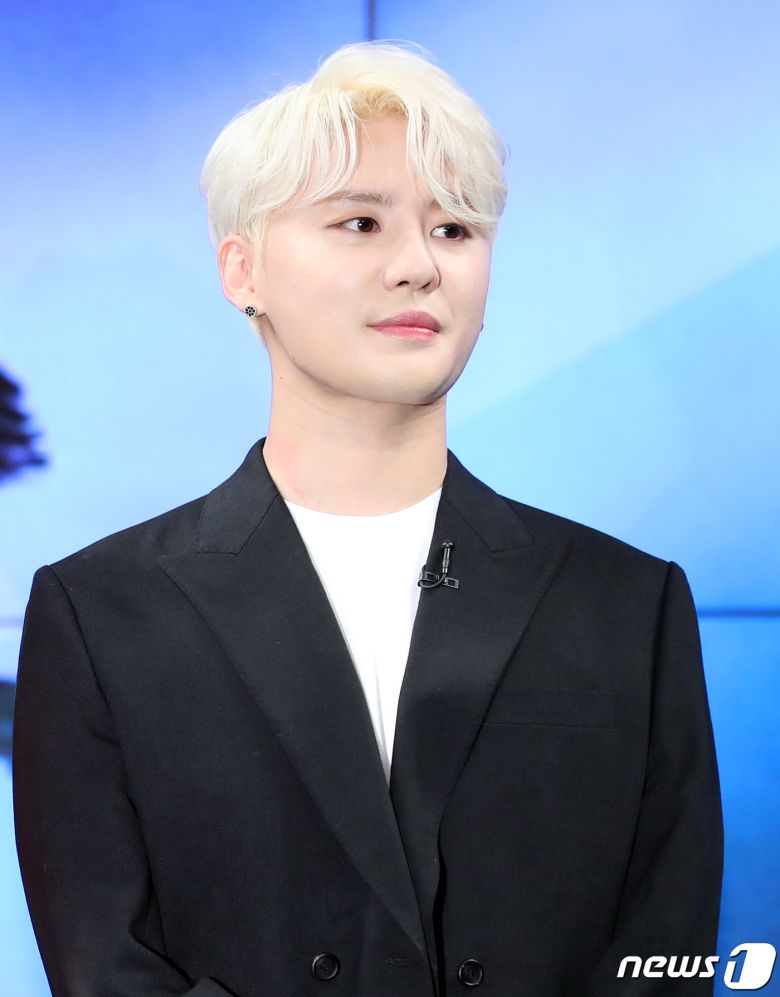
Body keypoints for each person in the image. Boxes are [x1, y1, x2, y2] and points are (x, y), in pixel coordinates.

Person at [13, 40, 723, 996]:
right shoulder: (102, 614)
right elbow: (105, 964)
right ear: (242, 270)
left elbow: (666, 954)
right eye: (360, 222)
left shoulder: (628, 605)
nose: (419, 265)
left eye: (455, 229)